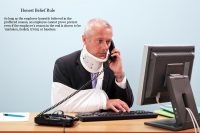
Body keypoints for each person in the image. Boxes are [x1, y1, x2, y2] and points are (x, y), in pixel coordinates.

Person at [51, 18, 133, 112]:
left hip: (107, 125)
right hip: (77, 124)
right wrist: (104, 102)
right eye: (100, 41)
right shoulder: (64, 65)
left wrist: (119, 75)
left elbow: (127, 104)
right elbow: (60, 104)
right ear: (84, 39)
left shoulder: (112, 64)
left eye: (108, 41)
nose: (105, 47)